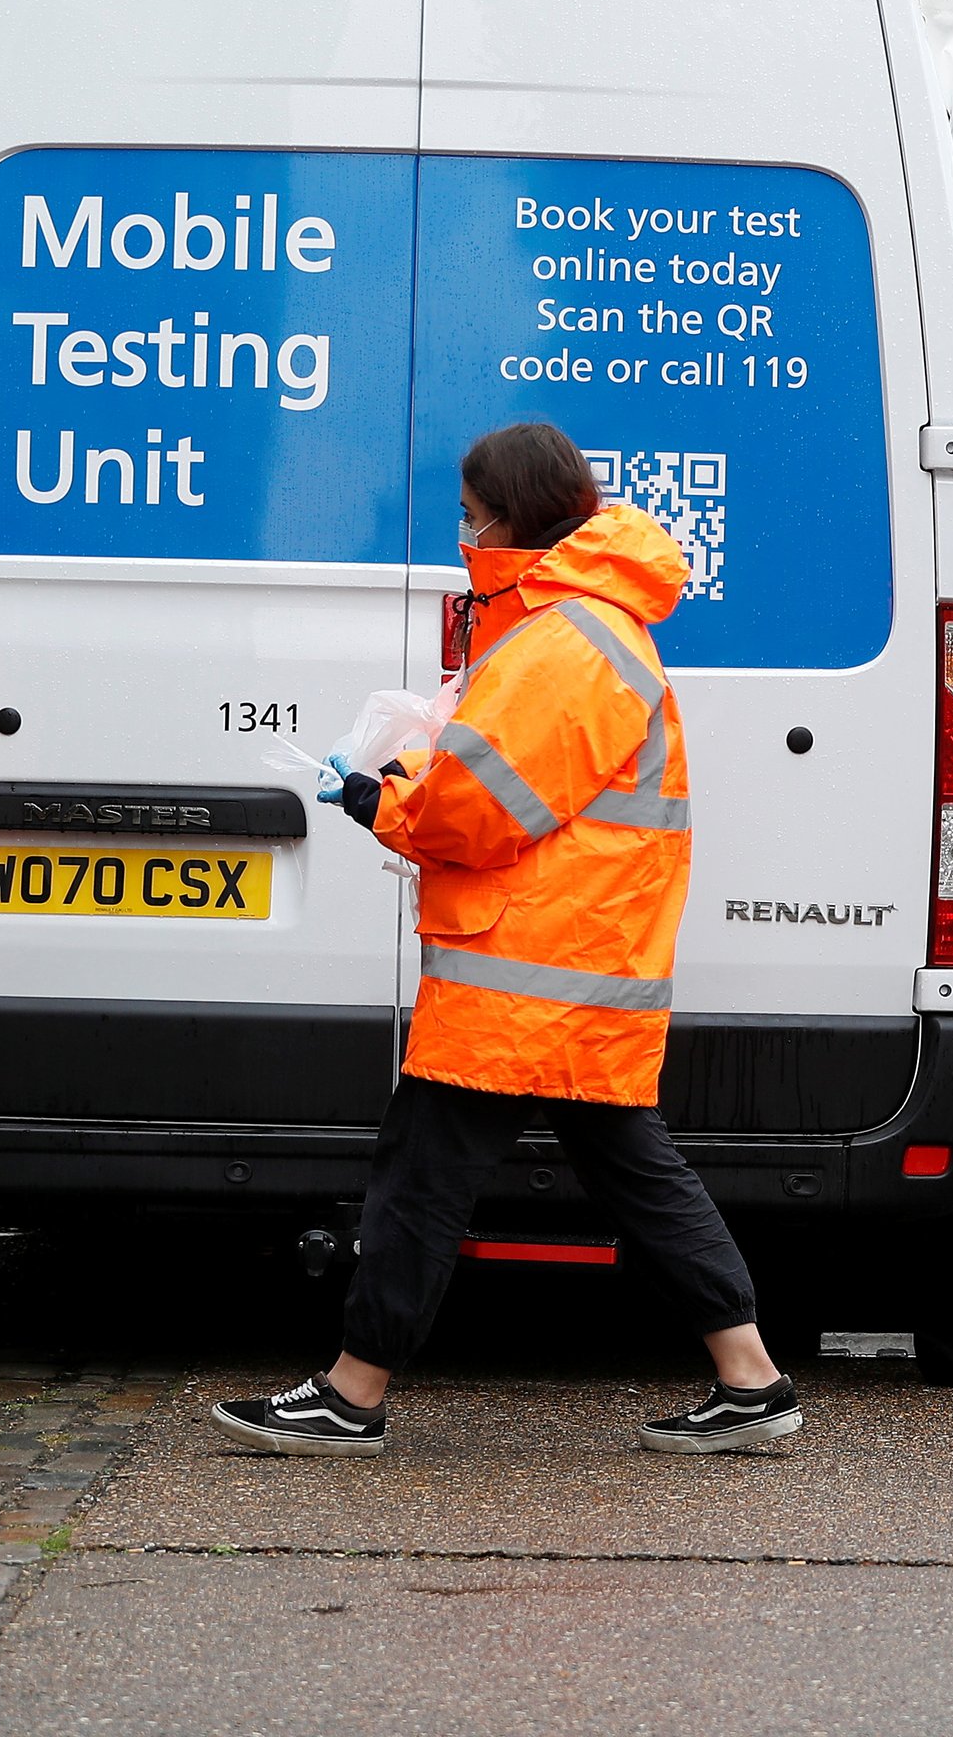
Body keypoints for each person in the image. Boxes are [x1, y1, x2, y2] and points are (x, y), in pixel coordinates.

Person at [213, 422, 797, 1458]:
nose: (461, 528)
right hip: (574, 961)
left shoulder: (559, 643)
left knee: (423, 1171)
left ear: (514, 517)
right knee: (630, 1167)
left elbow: (475, 812)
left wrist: (375, 796)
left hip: (524, 969)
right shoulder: (589, 627)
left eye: (471, 510)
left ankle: (351, 1394)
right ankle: (750, 1377)